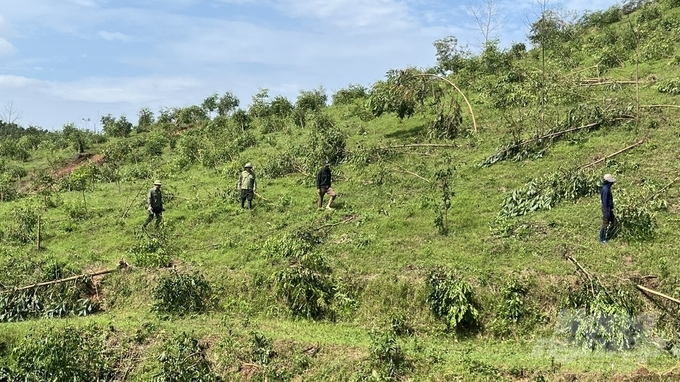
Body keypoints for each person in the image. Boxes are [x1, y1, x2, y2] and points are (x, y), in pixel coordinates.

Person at [600, 173, 617, 244]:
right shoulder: (606, 190)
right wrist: (607, 211)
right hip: (606, 209)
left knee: (613, 221)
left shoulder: (606, 188)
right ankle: (602, 238)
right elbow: (605, 201)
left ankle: (610, 234)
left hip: (608, 208)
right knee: (605, 223)